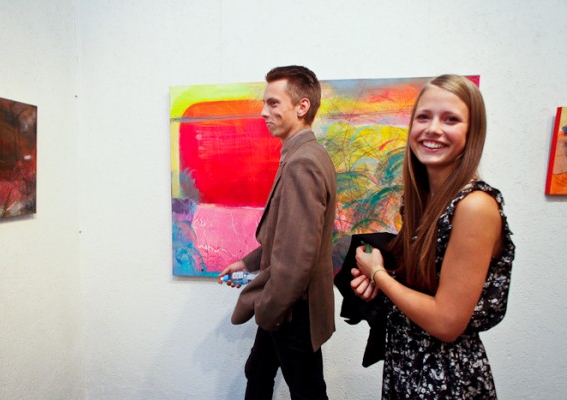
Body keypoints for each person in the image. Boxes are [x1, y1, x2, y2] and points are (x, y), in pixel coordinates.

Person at [350, 74, 515, 399]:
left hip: (445, 378)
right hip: (408, 367)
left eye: (450, 119)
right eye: (424, 117)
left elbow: (446, 323)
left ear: (472, 132)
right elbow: (424, 289)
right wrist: (377, 283)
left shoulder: (475, 206)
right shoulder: (422, 200)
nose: (433, 129)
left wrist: (378, 274)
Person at [218, 65, 337, 400]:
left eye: (273, 103)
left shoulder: (302, 162)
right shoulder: (304, 154)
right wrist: (248, 263)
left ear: (301, 107)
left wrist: (268, 308)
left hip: (291, 307)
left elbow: (298, 257)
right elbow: (288, 235)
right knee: (258, 372)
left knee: (307, 392)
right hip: (288, 302)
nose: (263, 112)